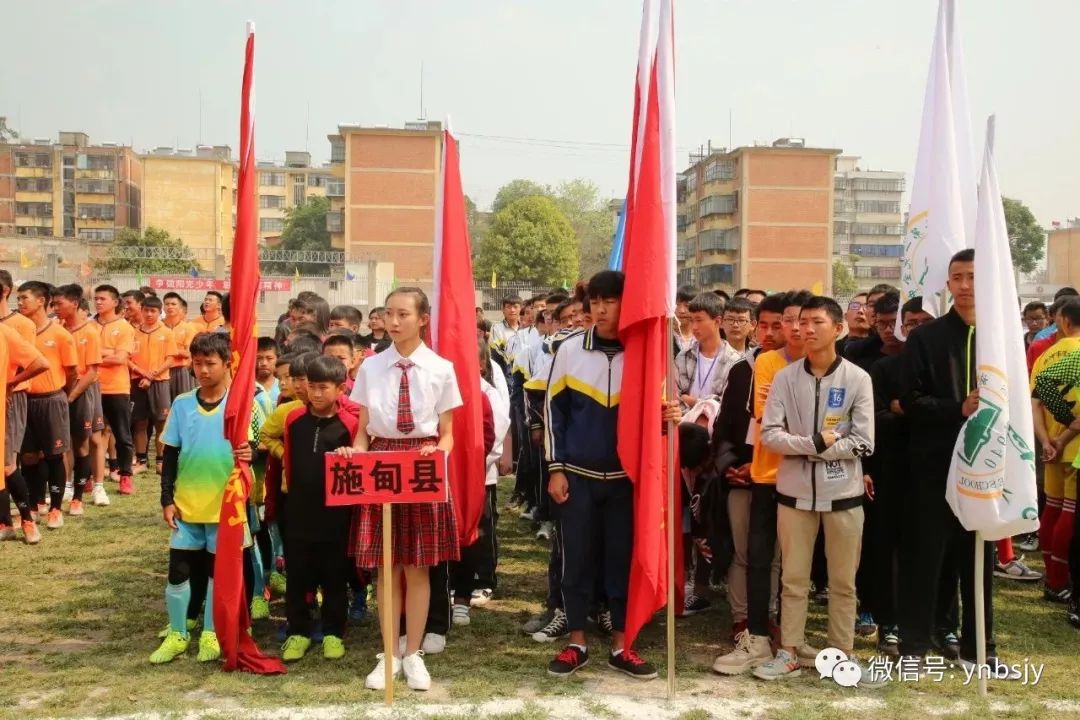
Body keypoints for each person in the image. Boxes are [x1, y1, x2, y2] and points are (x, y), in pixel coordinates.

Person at [345, 287, 463, 693]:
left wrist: (435, 454)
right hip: (381, 464)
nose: (394, 322)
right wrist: (355, 454)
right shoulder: (371, 368)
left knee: (418, 566)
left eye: (403, 314)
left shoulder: (441, 368)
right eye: (389, 314)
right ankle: (388, 654)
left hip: (423, 466)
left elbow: (448, 435)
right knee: (386, 567)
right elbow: (361, 432)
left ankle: (413, 654)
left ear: (423, 318)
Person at [899, 248, 1010, 672]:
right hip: (933, 466)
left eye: (973, 277)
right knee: (925, 557)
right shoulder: (926, 338)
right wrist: (956, 409)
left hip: (988, 468)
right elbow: (909, 401)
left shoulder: (1002, 338)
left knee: (978, 560)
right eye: (957, 278)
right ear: (947, 285)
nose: (965, 286)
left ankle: (980, 647)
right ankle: (914, 646)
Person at [544, 270, 658, 681]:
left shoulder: (649, 352)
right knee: (576, 560)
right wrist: (555, 468)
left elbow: (660, 414)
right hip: (577, 475)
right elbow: (553, 412)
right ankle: (577, 642)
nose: (602, 309)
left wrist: (672, 416)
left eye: (611, 300)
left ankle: (622, 645)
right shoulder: (570, 349)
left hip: (628, 480)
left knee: (621, 561)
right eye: (596, 301)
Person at [753, 296, 874, 681]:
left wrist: (818, 449)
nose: (805, 329)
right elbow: (770, 435)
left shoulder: (858, 378)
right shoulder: (785, 378)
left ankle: (841, 653)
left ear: (837, 328)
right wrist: (813, 444)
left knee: (842, 580)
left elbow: (864, 441)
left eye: (816, 322)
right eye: (801, 322)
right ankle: (788, 650)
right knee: (793, 578)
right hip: (793, 495)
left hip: (845, 495)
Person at [713, 290, 812, 676]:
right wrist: (731, 465)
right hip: (765, 475)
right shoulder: (761, 365)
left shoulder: (841, 369)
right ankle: (755, 635)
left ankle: (793, 638)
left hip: (812, 480)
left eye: (799, 320)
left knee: (796, 564)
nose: (790, 328)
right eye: (782, 320)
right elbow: (767, 422)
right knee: (756, 556)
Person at [150, 332, 253, 665]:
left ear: (227, 364)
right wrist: (167, 498)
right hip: (187, 505)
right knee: (177, 572)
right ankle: (178, 633)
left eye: (210, 363)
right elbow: (171, 455)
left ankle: (211, 633)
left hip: (226, 508)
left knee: (216, 575)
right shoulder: (182, 404)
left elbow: (256, 450)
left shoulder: (241, 404)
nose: (203, 370)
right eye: (197, 363)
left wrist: (252, 453)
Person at [278, 356, 357, 662]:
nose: (316, 393)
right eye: (312, 387)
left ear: (340, 389)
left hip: (336, 516)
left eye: (324, 387)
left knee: (335, 576)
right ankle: (298, 630)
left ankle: (334, 632)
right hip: (298, 512)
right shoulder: (294, 420)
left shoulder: (349, 425)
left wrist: (352, 454)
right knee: (297, 575)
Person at [1031, 296, 1080, 601]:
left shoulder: (1044, 356)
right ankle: (1062, 581)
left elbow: (1034, 402)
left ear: (1063, 321)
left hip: (1050, 444)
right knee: (1071, 515)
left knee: (1052, 508)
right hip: (1074, 446)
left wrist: (1046, 440)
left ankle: (1053, 577)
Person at [17, 281, 78, 530]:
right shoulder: (19, 332)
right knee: (29, 457)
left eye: (24, 298)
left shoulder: (61, 335)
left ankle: (55, 507)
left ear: (41, 301)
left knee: (54, 455)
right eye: (18, 299)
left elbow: (72, 372)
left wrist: (62, 394)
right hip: (24, 400)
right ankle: (34, 504)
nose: (19, 303)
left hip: (51, 399)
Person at [0, 270, 49, 542]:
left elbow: (38, 362)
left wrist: (9, 384)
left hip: (9, 402)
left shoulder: (12, 329)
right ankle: (4, 523)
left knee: (7, 464)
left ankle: (27, 520)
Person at [53, 284, 105, 514]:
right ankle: (64, 486)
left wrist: (71, 397)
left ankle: (78, 498)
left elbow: (92, 372)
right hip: (58, 393)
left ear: (74, 303)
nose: (55, 308)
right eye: (53, 304)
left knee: (82, 444)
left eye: (59, 303)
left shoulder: (90, 333)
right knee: (61, 445)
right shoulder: (57, 330)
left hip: (82, 394)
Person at [95, 285, 137, 496]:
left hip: (117, 388)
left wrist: (97, 356)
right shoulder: (90, 325)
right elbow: (83, 355)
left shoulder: (124, 327)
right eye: (96, 298)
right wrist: (107, 353)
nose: (98, 302)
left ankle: (126, 476)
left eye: (103, 299)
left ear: (114, 302)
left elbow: (121, 358)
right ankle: (93, 478)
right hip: (92, 387)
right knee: (95, 435)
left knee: (122, 435)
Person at [130, 295, 177, 474]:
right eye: (146, 310)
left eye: (153, 311)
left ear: (159, 312)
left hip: (160, 382)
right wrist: (142, 373)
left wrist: (152, 375)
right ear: (141, 311)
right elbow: (127, 358)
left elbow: (170, 359)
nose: (149, 314)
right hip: (137, 382)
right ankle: (141, 460)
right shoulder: (133, 332)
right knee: (140, 423)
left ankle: (161, 460)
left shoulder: (166, 333)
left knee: (161, 423)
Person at [676, 292, 743, 413]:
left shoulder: (735, 361)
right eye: (691, 320)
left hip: (717, 428)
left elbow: (728, 403)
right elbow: (676, 396)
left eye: (699, 320)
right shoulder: (684, 356)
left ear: (717, 321)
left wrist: (694, 401)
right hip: (685, 424)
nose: (694, 327)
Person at [162, 292, 197, 401]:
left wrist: (167, 350)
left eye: (173, 304)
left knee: (183, 401)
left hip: (180, 370)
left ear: (180, 307)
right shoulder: (158, 327)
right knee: (165, 406)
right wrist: (177, 350)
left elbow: (188, 353)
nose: (170, 307)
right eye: (167, 304)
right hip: (160, 370)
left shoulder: (188, 328)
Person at [673, 285, 697, 357]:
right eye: (677, 305)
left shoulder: (703, 337)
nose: (681, 311)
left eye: (687, 306)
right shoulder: (666, 336)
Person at [256, 337, 280, 405]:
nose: (264, 363)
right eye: (259, 358)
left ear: (277, 359)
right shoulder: (248, 387)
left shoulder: (283, 386)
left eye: (269, 358)